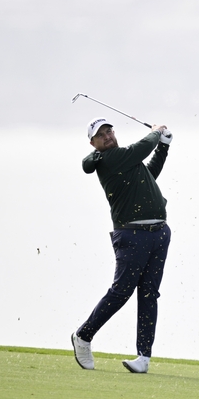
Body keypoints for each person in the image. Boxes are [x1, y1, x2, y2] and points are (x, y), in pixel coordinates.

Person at [71, 117, 173, 373]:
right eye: (100, 135)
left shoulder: (126, 162)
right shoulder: (110, 159)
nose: (107, 136)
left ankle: (143, 357)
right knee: (121, 291)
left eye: (109, 131)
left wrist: (163, 147)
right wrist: (156, 133)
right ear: (93, 143)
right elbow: (142, 148)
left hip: (159, 233)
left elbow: (149, 175)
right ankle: (83, 336)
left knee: (149, 294)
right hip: (132, 234)